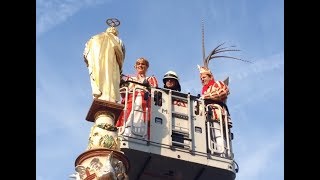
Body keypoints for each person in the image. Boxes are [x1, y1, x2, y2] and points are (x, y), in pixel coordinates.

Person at [83, 18, 125, 102]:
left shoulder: (94, 38)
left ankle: (101, 94)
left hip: (97, 66)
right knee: (110, 83)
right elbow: (121, 55)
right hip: (112, 67)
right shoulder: (117, 40)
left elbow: (85, 53)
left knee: (101, 78)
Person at [116, 57, 158, 139]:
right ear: (135, 66)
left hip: (144, 102)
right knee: (127, 117)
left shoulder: (150, 79)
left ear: (147, 67)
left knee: (142, 118)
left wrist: (146, 84)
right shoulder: (129, 78)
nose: (140, 65)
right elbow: (123, 93)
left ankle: (141, 135)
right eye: (138, 64)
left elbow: (155, 90)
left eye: (143, 64)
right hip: (130, 102)